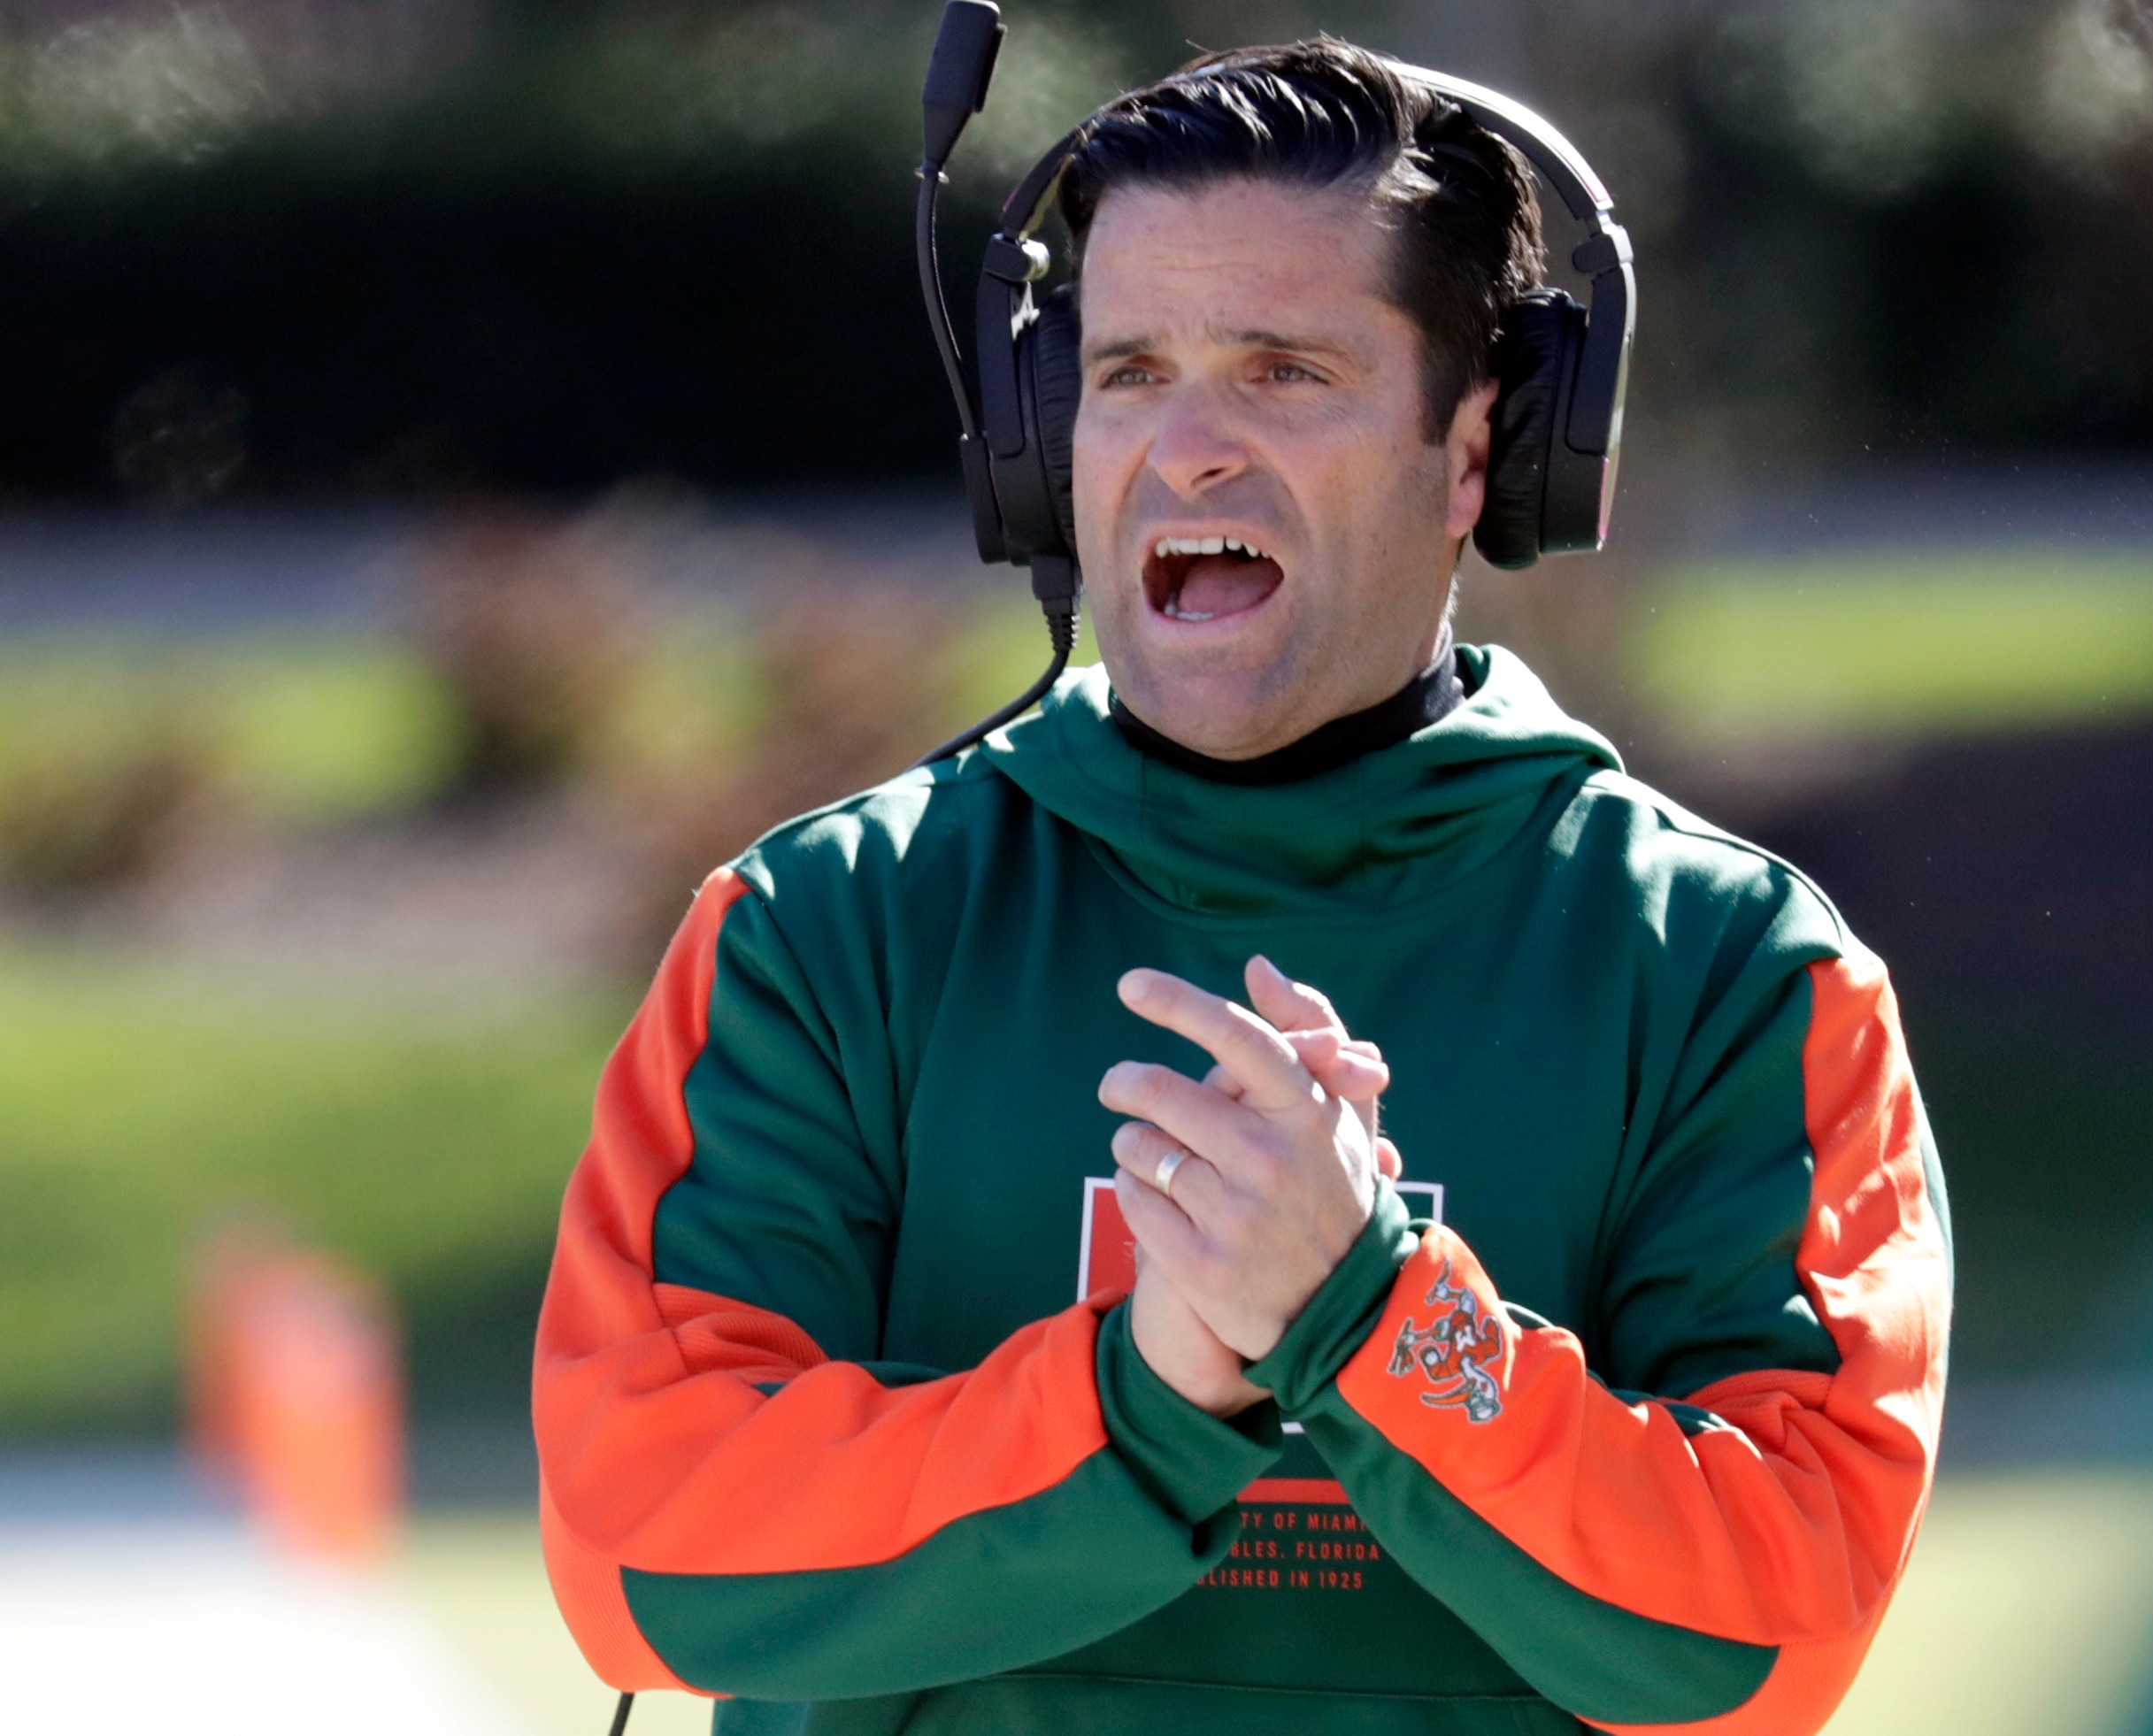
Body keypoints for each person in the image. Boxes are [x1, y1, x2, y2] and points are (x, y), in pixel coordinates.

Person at [534, 37, 1951, 1736]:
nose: (1188, 447)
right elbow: (640, 1550)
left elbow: (1770, 1629)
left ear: (1483, 447)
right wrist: (1146, 1397)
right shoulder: (819, 935)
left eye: (1284, 371)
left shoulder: (1729, 973)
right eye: (1129, 371)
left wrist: (1368, 1307)